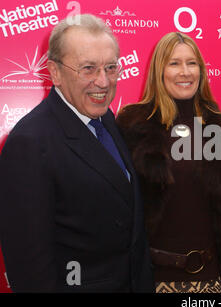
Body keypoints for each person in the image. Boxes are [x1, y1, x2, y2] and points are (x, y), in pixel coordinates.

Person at [0, 14, 154, 292]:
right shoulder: (30, 142)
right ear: (55, 72)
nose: (104, 82)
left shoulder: (105, 119)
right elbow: (29, 267)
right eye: (88, 69)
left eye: (110, 68)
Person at [116, 32, 221, 293]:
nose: (185, 72)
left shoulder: (219, 127)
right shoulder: (133, 123)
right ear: (159, 70)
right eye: (174, 63)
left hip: (210, 279)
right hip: (151, 278)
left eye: (192, 63)